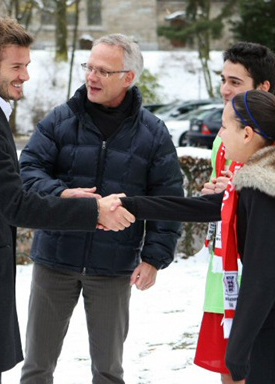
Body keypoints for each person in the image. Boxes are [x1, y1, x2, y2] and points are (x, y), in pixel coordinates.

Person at [0, 17, 134, 384]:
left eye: (27, 65)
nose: (26, 76)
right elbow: (14, 205)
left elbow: (2, 187)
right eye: (17, 67)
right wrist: (91, 210)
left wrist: (60, 193)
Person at [117, 90, 275, 384]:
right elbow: (209, 206)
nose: (219, 135)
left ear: (247, 134)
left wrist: (238, 350)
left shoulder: (269, 189)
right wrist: (130, 205)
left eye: (223, 126)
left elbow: (265, 275)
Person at [18, 33, 183, 384]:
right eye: (89, 67)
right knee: (36, 367)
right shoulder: (60, 119)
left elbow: (168, 198)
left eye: (103, 71)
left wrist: (154, 257)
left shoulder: (153, 133)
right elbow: (28, 170)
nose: (92, 77)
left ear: (128, 78)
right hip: (55, 259)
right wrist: (64, 195)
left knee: (109, 371)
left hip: (113, 267)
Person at [198, 42, 275, 384]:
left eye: (236, 82)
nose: (226, 89)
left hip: (257, 275)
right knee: (228, 368)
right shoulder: (223, 135)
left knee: (256, 366)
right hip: (223, 268)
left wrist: (239, 190)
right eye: (223, 79)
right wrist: (215, 192)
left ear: (263, 89)